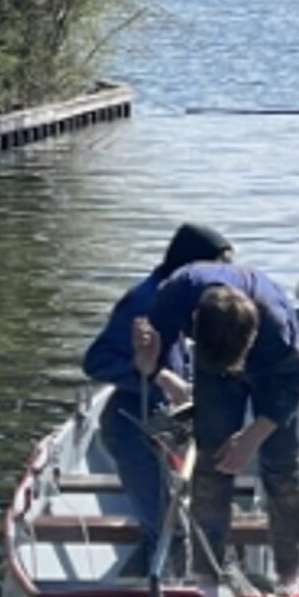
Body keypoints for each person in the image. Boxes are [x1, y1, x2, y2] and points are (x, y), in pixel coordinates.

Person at [137, 261, 299, 595]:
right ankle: (206, 576)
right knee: (210, 466)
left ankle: (290, 576)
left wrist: (251, 437)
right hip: (211, 370)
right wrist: (156, 371)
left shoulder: (275, 324)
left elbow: (296, 382)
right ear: (196, 321)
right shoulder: (175, 295)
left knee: (283, 468)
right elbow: (149, 356)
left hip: (273, 372)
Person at [81, 223, 235, 577]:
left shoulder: (178, 297)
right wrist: (160, 377)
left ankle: (155, 577)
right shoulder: (144, 302)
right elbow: (96, 361)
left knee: (179, 515)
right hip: (131, 430)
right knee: (170, 530)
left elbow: (181, 358)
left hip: (161, 424)